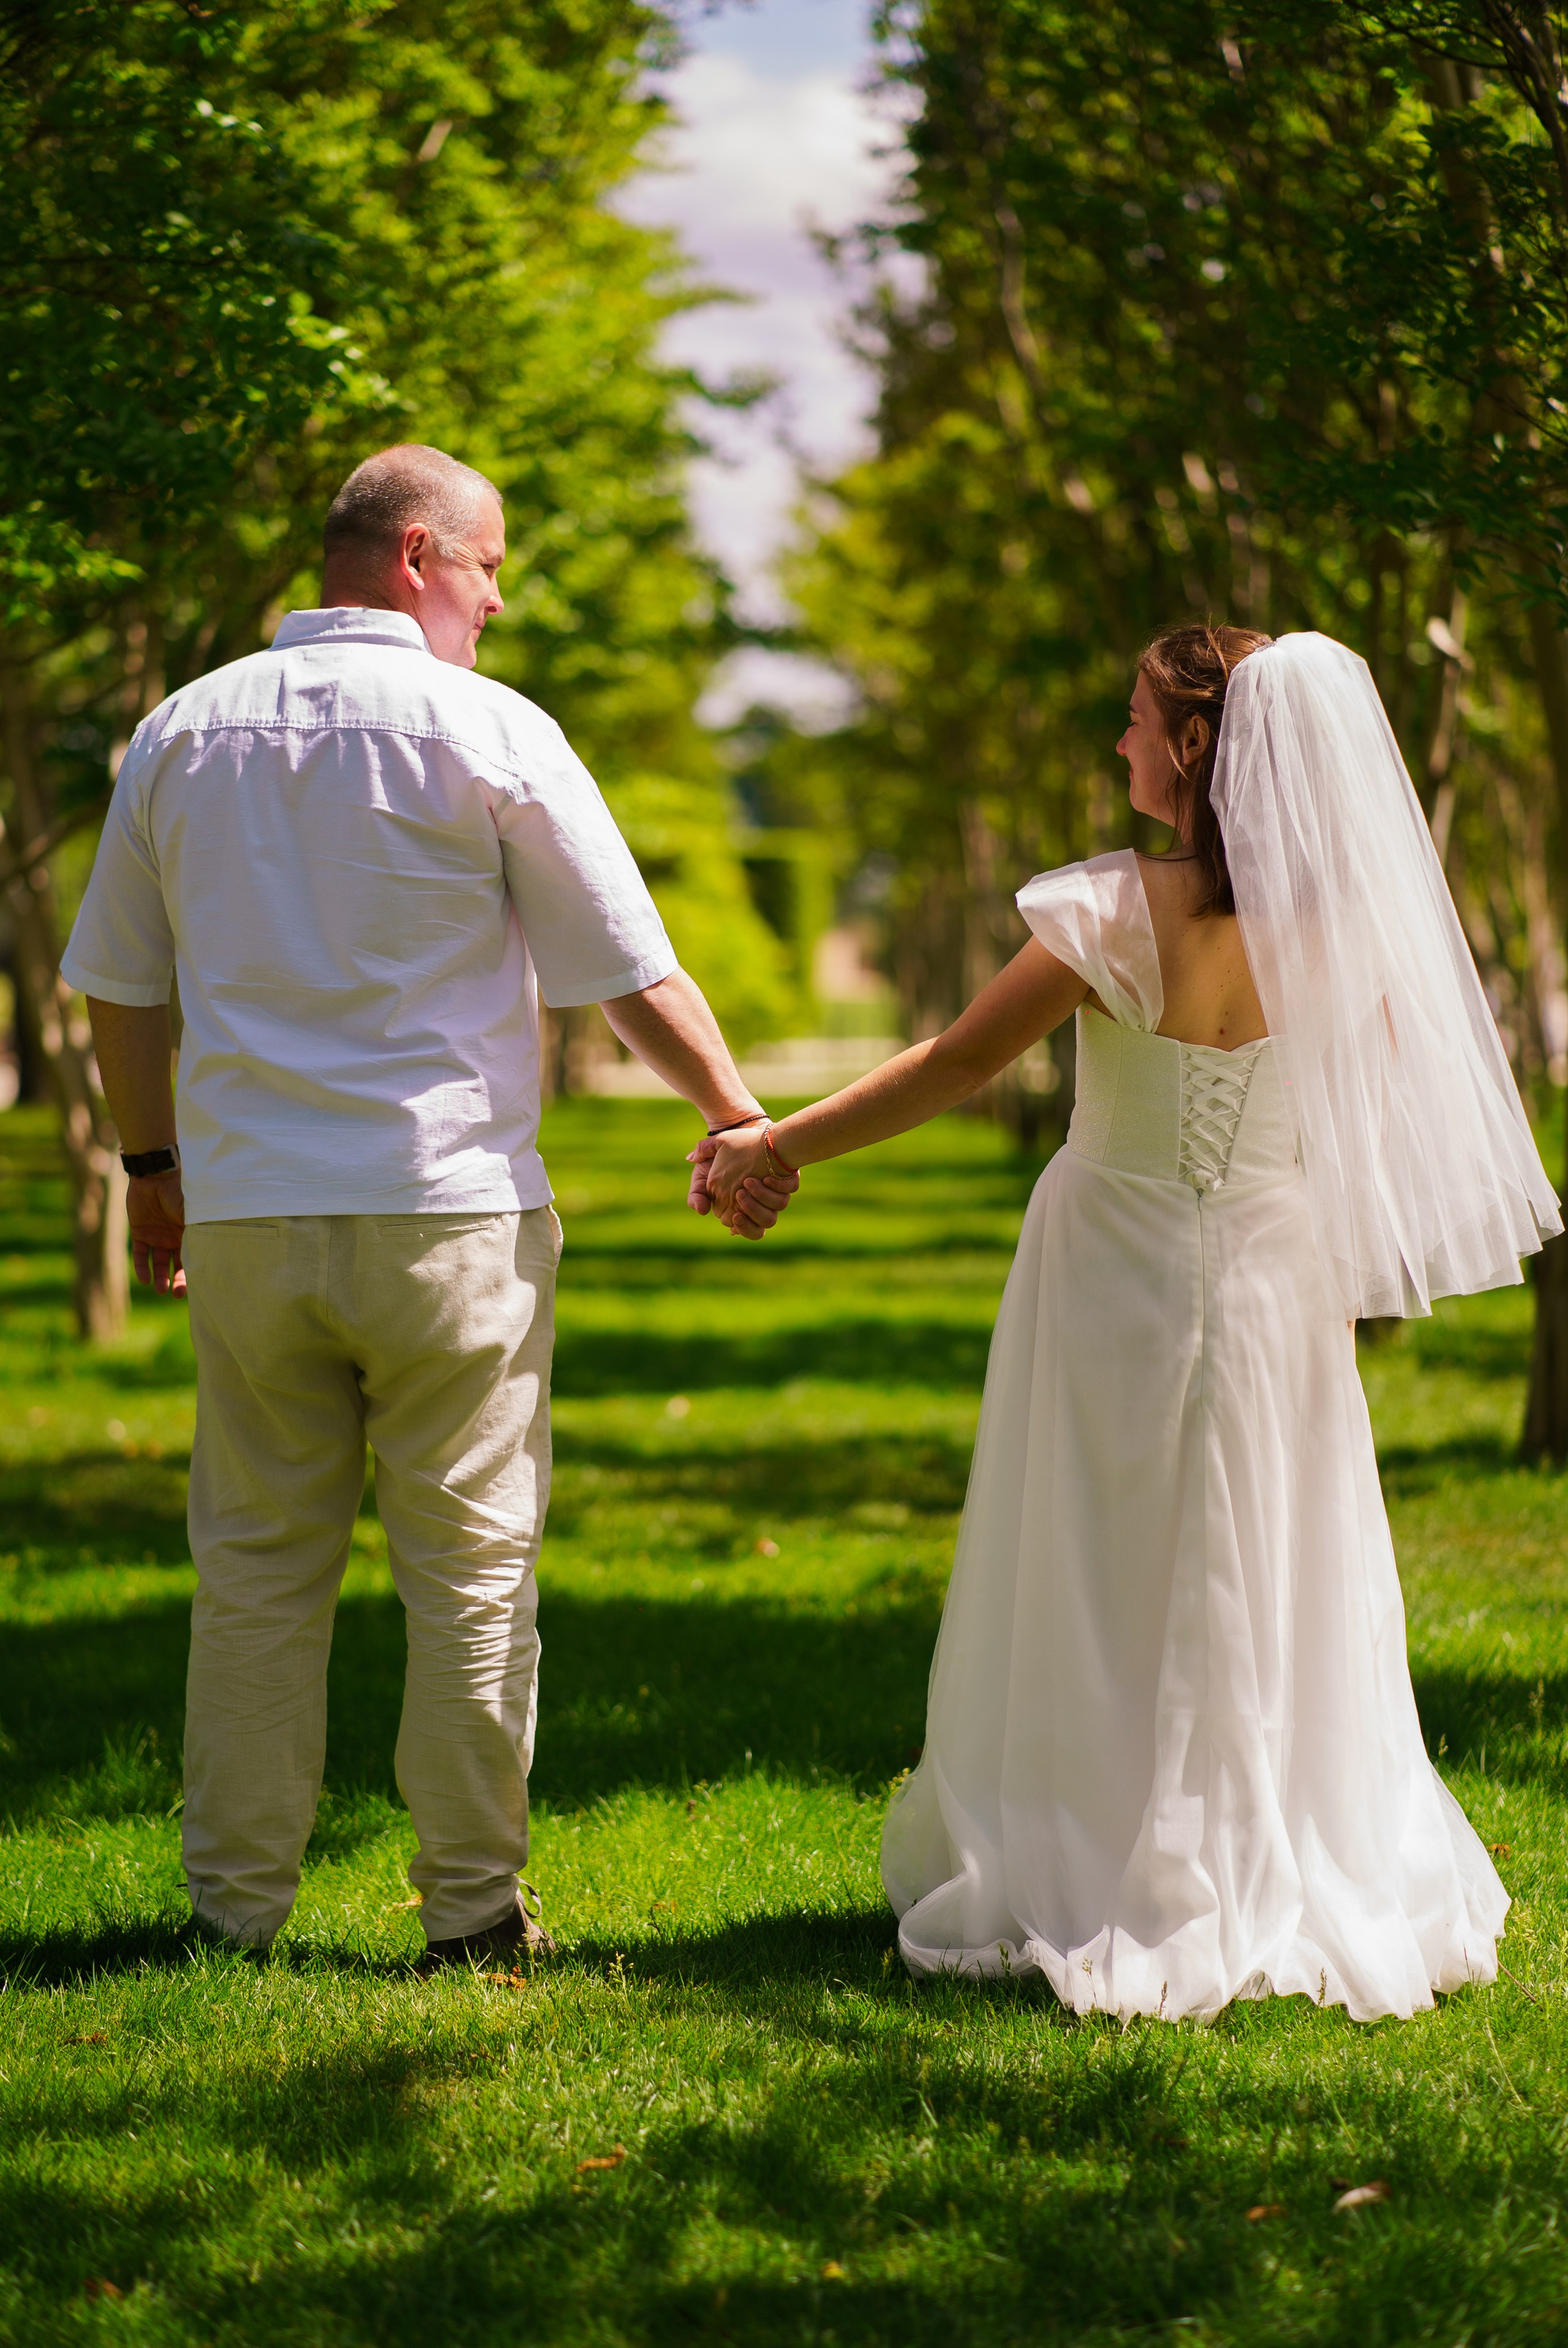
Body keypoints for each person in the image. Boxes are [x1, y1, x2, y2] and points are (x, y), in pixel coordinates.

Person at [700, 625, 1561, 2023]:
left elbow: (963, 1057)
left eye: (1133, 718)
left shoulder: (1108, 911)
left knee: (1099, 1550)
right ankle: (1271, 1841)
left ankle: (1092, 1850)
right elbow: (1381, 1101)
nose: (1116, 740)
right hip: (1278, 1264)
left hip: (1112, 1261)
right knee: (1268, 1547)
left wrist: (772, 1144)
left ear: (1196, 747)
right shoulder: (1352, 933)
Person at [62, 442, 789, 1968]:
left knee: (256, 1572)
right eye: (489, 565)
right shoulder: (492, 728)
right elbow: (624, 972)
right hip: (445, 1209)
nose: (500, 598)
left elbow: (122, 992)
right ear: (414, 558)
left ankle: (233, 1916)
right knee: (472, 1570)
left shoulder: (177, 734)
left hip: (254, 1209)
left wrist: (150, 1173)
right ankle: (470, 1914)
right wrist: (735, 1116)